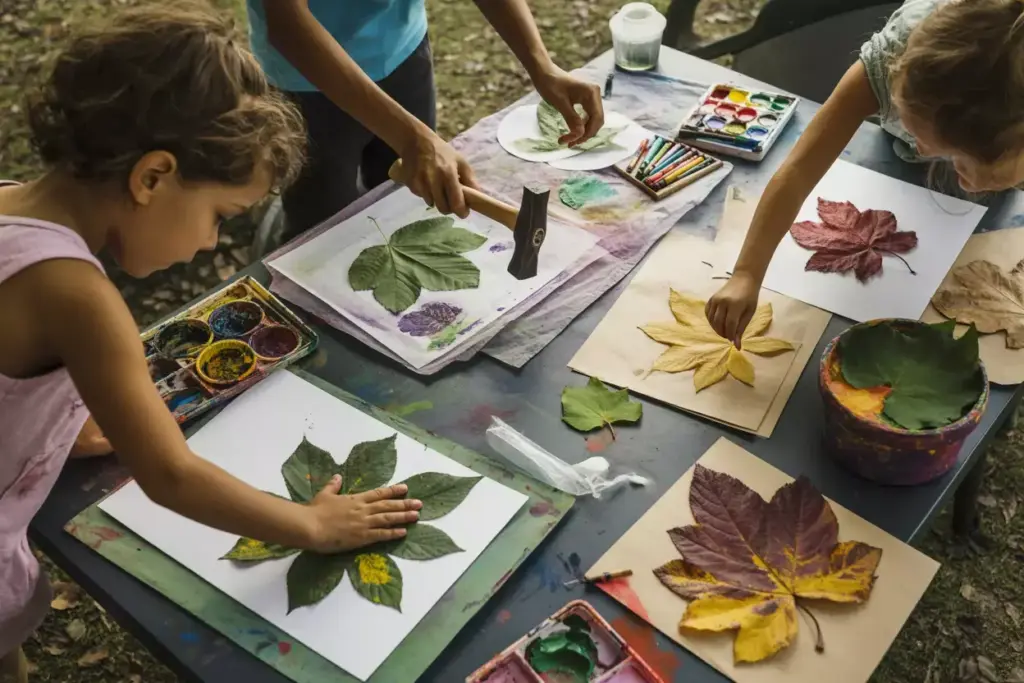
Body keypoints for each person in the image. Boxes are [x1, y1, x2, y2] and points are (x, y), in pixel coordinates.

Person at [0, 5, 422, 681]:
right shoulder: (78, 296)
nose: (208, 243)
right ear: (153, 177)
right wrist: (313, 525)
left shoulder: (10, 205)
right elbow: (172, 476)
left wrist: (46, 423)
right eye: (219, 217)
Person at [706, 0, 1024, 346]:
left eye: (949, 154)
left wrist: (1000, 175)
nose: (919, 150)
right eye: (913, 130)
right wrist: (747, 273)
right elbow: (798, 170)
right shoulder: (904, 51)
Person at [247, 0, 605, 241]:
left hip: (403, 48)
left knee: (412, 214)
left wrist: (542, 66)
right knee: (324, 239)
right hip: (307, 78)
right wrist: (412, 138)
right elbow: (287, 23)